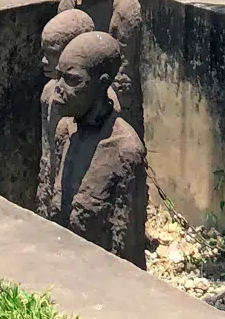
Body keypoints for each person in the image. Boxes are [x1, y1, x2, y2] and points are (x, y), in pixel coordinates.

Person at [46, 30, 148, 266]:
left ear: (100, 85)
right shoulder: (66, 132)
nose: (57, 88)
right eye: (58, 76)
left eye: (72, 80)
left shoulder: (125, 151)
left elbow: (127, 252)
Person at [58, 0, 143, 132]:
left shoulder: (123, 7)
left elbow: (123, 75)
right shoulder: (69, 4)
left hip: (109, 99)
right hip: (73, 93)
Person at [37, 8, 95, 217]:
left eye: (52, 55)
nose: (44, 61)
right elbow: (48, 147)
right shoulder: (48, 93)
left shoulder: (94, 100)